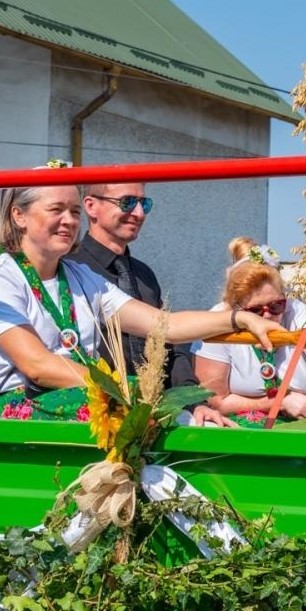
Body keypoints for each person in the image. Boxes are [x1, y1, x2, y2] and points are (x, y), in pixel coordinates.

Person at [0, 182, 284, 421]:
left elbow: (165, 327)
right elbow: (37, 366)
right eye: (56, 210)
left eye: (74, 212)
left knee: (187, 420)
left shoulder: (78, 275)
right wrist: (125, 389)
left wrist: (238, 318)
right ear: (18, 215)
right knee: (153, 417)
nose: (69, 220)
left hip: (90, 399)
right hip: (23, 406)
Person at [68, 181, 232, 428]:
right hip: (99, 413)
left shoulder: (144, 274)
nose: (139, 213)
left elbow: (169, 344)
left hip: (155, 409)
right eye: (127, 202)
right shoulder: (71, 271)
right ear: (91, 206)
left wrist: (194, 402)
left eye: (144, 203)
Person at [193, 238, 306, 426]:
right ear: (234, 307)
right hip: (242, 425)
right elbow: (217, 401)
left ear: (284, 298)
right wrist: (279, 402)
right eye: (255, 311)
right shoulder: (215, 322)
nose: (268, 316)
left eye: (276, 306)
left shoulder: (299, 312)